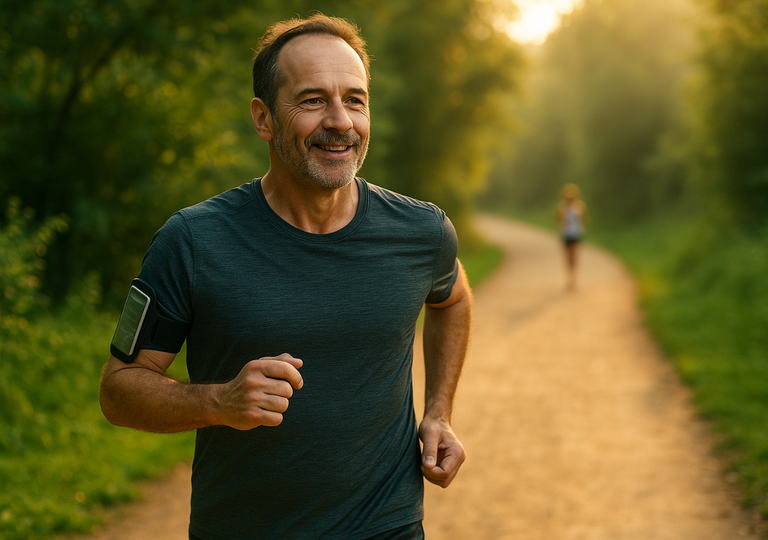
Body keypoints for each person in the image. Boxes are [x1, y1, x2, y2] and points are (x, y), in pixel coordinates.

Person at [99, 14, 472, 540]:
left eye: (356, 100)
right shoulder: (193, 241)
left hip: (387, 527)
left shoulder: (421, 231)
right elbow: (118, 392)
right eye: (313, 100)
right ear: (263, 118)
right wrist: (219, 402)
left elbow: (452, 297)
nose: (341, 120)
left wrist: (438, 412)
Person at [555, 183, 588, 289]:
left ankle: (573, 278)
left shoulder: (579, 206)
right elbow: (558, 220)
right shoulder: (562, 207)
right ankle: (570, 277)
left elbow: (583, 219)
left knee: (574, 256)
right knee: (567, 257)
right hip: (566, 234)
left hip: (575, 234)